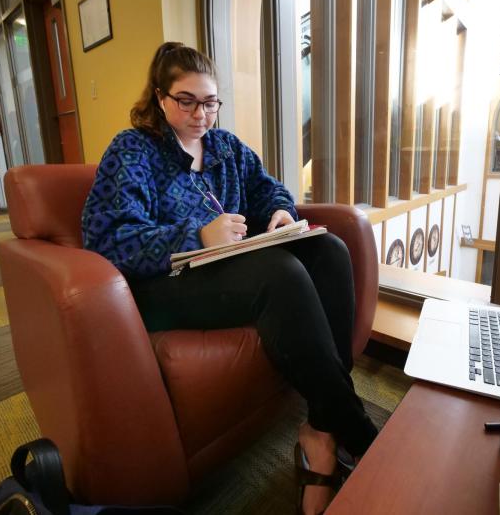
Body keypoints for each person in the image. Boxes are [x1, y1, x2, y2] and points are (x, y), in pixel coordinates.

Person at [81, 42, 378, 514]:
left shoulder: (226, 147)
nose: (202, 114)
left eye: (210, 102)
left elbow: (268, 189)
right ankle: (361, 434)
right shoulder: (133, 149)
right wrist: (197, 235)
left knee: (329, 250)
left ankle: (321, 430)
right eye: (187, 100)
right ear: (160, 97)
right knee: (277, 274)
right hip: (166, 285)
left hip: (230, 271)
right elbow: (106, 236)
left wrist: (280, 211)